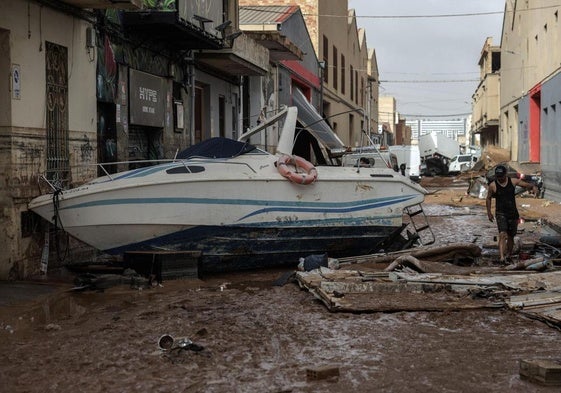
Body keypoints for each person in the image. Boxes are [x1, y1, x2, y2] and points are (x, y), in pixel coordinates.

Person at [486, 164, 538, 263]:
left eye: (501, 176)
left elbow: (526, 185)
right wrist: (489, 212)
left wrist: (533, 187)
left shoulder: (513, 181)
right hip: (500, 213)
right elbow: (488, 198)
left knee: (511, 236)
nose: (500, 179)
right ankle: (501, 257)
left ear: (505, 174)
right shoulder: (493, 185)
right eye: (498, 177)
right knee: (502, 234)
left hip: (513, 213)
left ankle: (508, 255)